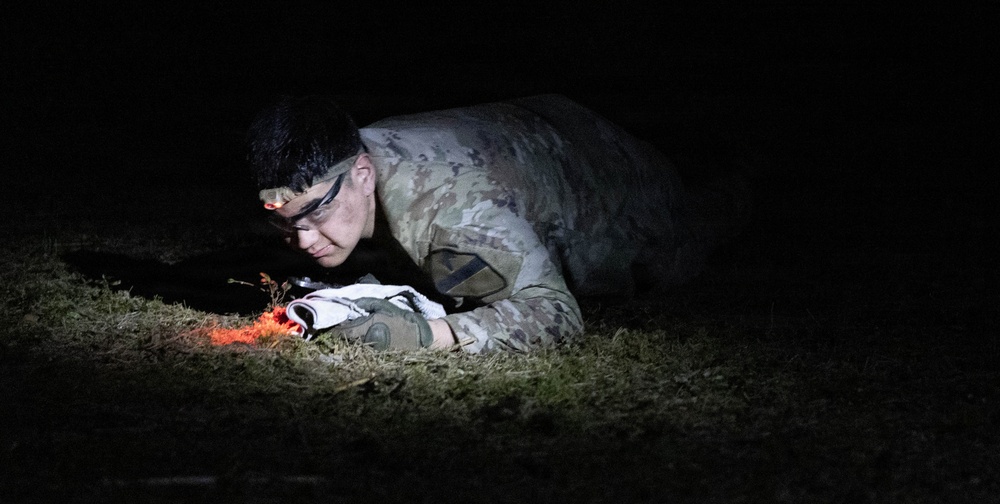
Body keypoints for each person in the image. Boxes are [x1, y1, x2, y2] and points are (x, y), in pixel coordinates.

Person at [247, 94, 748, 353]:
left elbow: (555, 314)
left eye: (317, 214)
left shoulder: (450, 207)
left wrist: (426, 336)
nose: (303, 240)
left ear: (362, 174)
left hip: (621, 188)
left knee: (706, 225)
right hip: (546, 128)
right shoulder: (347, 161)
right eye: (285, 223)